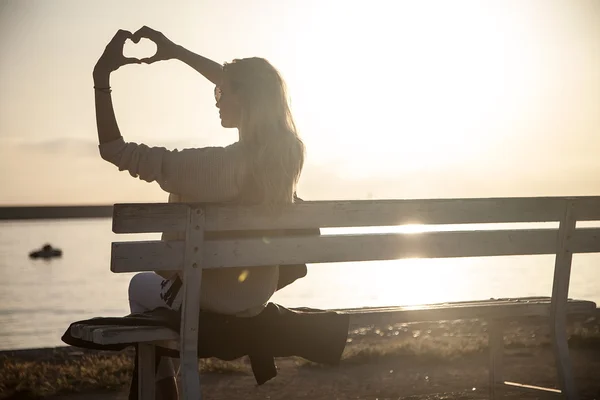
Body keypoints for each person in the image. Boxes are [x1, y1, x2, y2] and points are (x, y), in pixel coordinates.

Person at [93, 26, 305, 399]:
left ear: (245, 99)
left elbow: (116, 149)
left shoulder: (215, 167)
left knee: (139, 287)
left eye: (223, 92)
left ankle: (163, 393)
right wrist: (176, 52)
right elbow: (243, 85)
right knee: (158, 304)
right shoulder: (287, 154)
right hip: (257, 292)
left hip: (213, 298)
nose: (216, 98)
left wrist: (101, 80)